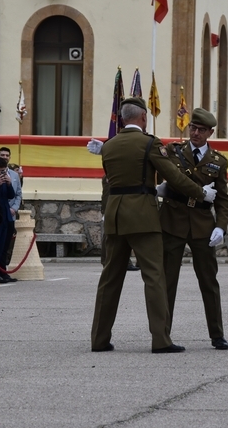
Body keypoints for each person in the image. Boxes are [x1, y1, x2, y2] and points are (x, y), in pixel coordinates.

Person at [91, 97, 217, 353]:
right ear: (143, 118)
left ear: (123, 118)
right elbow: (174, 176)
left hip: (115, 215)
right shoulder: (150, 143)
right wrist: (201, 194)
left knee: (109, 279)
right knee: (155, 277)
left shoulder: (109, 146)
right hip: (142, 217)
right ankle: (161, 340)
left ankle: (99, 339)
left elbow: (109, 181)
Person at [158, 108, 228, 350]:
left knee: (209, 282)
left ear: (211, 132)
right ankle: (162, 335)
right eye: (193, 128)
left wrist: (221, 226)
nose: (195, 132)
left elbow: (222, 200)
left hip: (202, 225)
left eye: (201, 129)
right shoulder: (173, 152)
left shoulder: (218, 161)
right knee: (167, 281)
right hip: (172, 221)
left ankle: (217, 334)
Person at [0, 147, 22, 280]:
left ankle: (3, 271)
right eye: (2, 155)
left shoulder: (14, 175)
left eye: (7, 155)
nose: (4, 157)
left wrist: (14, 208)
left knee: (6, 244)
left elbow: (18, 194)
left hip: (10, 213)